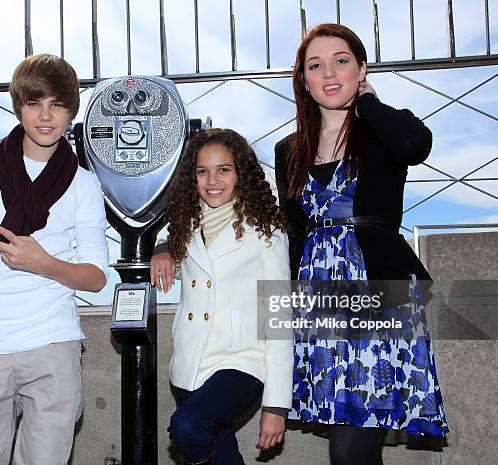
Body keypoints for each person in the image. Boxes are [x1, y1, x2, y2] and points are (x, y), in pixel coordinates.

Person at [274, 23, 449, 465]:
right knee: (352, 442)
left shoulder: (384, 130)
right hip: (317, 300)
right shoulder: (288, 150)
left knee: (351, 446)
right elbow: (293, 231)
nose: (329, 72)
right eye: (316, 65)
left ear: (361, 69)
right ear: (304, 81)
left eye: (341, 61)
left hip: (377, 295)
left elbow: (415, 144)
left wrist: (368, 102)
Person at [0, 54, 110, 465]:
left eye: (56, 105)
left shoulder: (84, 184)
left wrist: (44, 263)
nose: (45, 116)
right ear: (18, 106)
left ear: (71, 110)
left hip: (53, 343)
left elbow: (97, 276)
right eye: (34, 104)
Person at [150, 128, 294, 465]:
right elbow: (163, 232)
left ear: (240, 174)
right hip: (190, 364)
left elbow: (279, 320)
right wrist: (162, 249)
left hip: (242, 363)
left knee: (187, 427)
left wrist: (276, 405)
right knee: (223, 453)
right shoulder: (185, 224)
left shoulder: (267, 232)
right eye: (202, 171)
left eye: (223, 169)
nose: (212, 179)